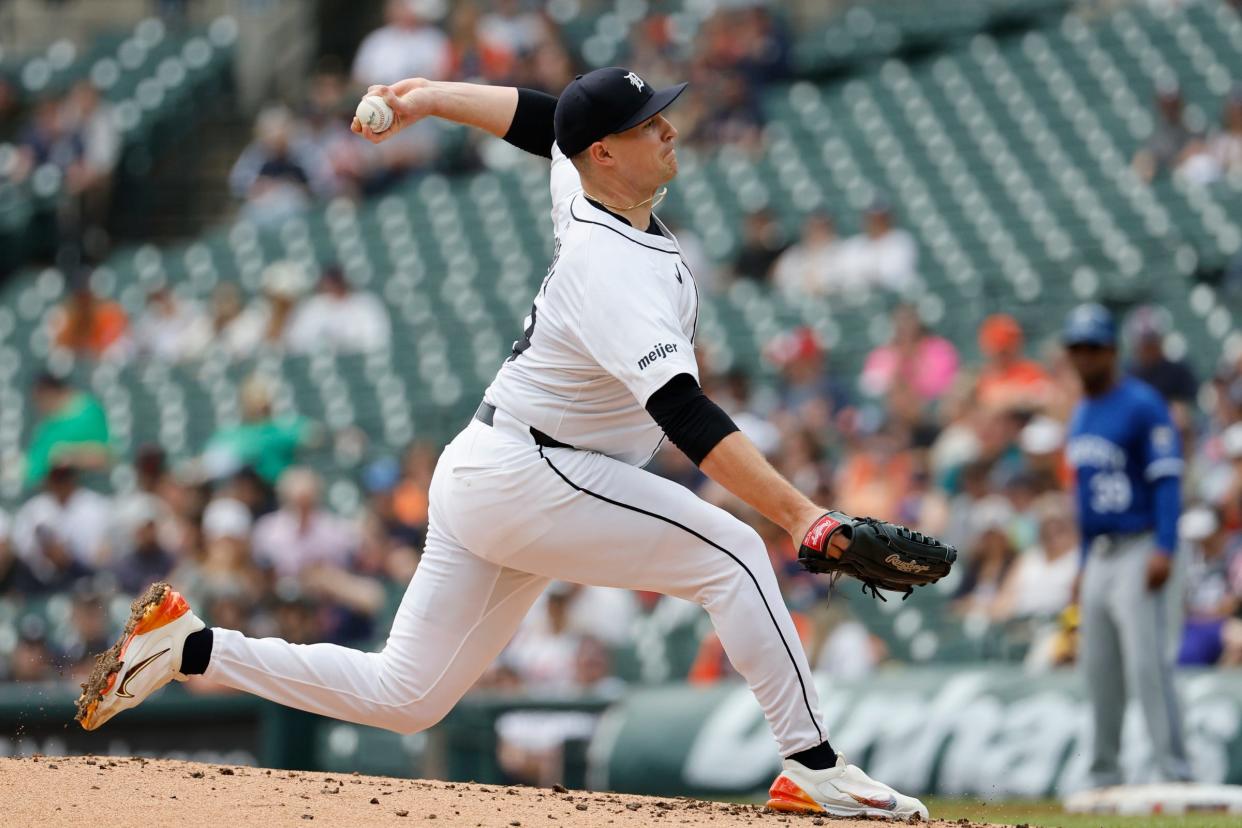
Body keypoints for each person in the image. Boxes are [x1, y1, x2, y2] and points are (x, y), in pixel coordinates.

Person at [76, 67, 929, 820]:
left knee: (406, 695)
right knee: (737, 552)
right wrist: (802, 516)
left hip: (498, 470)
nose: (669, 130)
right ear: (604, 154)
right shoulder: (612, 266)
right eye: (648, 125)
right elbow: (686, 416)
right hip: (537, 472)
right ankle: (813, 766)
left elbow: (542, 118)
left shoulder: (588, 185)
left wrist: (430, 97)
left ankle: (189, 647)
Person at [1062, 303, 1192, 787]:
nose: (1084, 356)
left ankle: (1175, 773)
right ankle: (1103, 776)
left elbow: (1167, 479)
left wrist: (1165, 544)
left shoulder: (1142, 403)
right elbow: (1085, 500)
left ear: (1112, 351)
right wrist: (1080, 562)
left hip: (1142, 544)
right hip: (1100, 553)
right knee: (1099, 670)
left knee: (1148, 665)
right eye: (1077, 347)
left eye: (1093, 347)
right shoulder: (1081, 412)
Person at [23, 371, 111, 490]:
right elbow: (34, 462)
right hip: (43, 492)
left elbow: (105, 456)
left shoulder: (87, 413)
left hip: (77, 493)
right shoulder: (47, 424)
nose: (38, 405)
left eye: (40, 398)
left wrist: (70, 455)